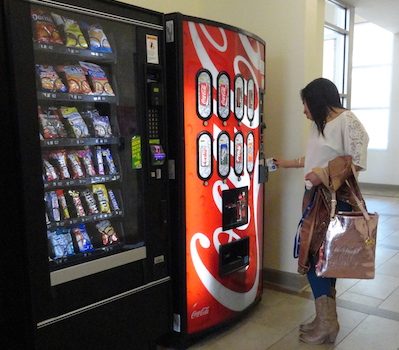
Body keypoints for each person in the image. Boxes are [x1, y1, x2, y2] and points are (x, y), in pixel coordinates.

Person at [273, 78, 369, 345]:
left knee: (316, 258)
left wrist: (323, 175)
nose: (303, 110)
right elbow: (315, 158)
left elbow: (357, 159)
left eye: (305, 103)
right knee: (327, 261)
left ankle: (327, 323)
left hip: (334, 201)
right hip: (316, 198)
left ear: (317, 100)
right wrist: (288, 163)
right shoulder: (320, 125)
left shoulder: (346, 121)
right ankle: (325, 319)